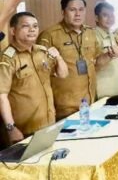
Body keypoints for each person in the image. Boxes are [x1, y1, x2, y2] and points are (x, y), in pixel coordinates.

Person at [0, 12, 68, 144]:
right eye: (26, 26)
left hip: (48, 125)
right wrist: (11, 128)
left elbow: (63, 74)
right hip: (23, 131)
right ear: (13, 30)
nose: (32, 30)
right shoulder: (7, 58)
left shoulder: (41, 51)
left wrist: (58, 57)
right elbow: (1, 96)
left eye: (35, 26)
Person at [38, 0, 104, 119]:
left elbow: (96, 61)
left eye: (81, 9)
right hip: (64, 107)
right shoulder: (50, 35)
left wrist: (111, 55)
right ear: (63, 12)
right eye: (72, 10)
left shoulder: (90, 32)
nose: (78, 14)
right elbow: (42, 71)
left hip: (90, 101)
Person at [93, 2, 118, 98]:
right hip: (104, 90)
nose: (110, 18)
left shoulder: (111, 34)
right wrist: (110, 55)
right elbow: (93, 63)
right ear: (96, 18)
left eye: (112, 15)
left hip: (117, 86)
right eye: (105, 15)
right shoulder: (93, 36)